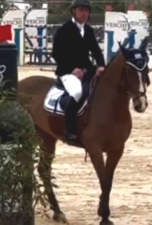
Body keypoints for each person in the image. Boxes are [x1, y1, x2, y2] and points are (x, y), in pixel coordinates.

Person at [51, 0, 105, 147]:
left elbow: (96, 51)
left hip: (87, 68)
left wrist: (101, 65)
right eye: (81, 10)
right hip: (67, 71)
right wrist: (71, 69)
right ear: (74, 11)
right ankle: (70, 130)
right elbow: (56, 53)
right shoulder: (64, 30)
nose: (84, 13)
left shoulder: (88, 30)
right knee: (76, 92)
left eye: (86, 11)